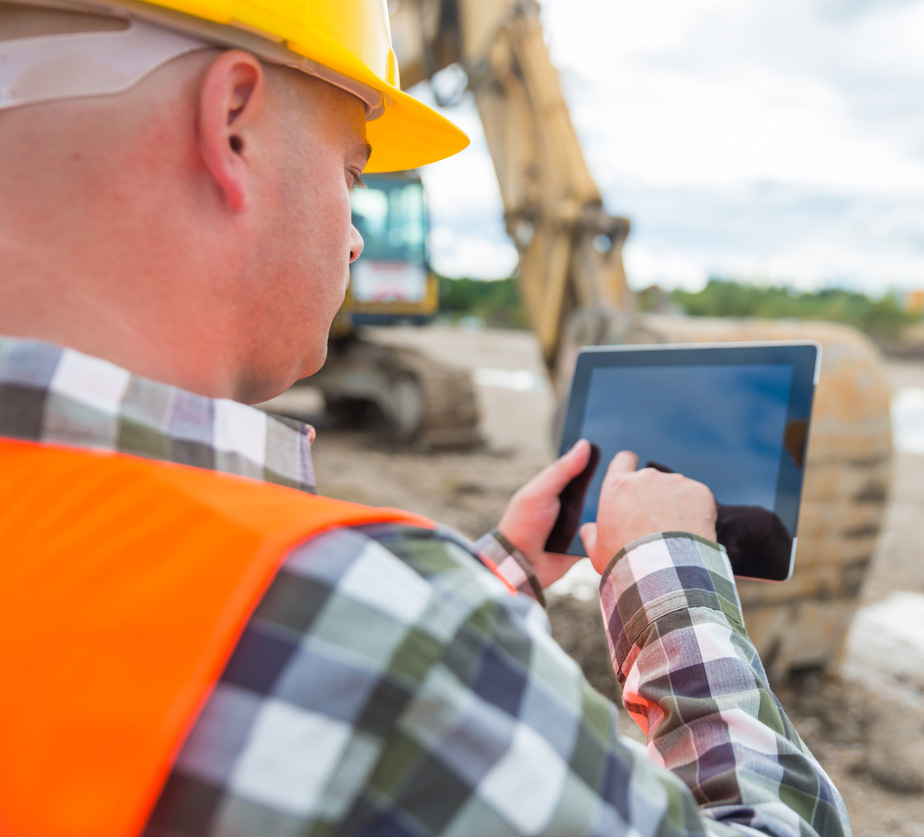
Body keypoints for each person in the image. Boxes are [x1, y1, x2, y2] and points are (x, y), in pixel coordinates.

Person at [0, 1, 851, 834]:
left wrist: (506, 565)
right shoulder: (377, 620)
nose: (357, 238)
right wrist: (664, 568)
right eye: (352, 172)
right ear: (232, 123)